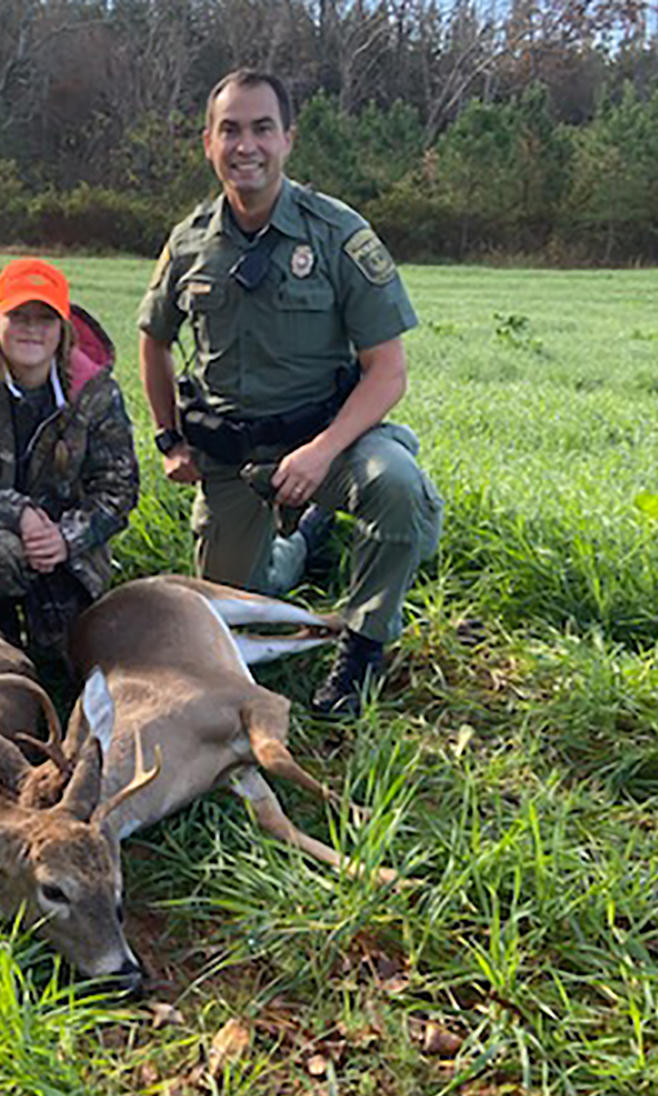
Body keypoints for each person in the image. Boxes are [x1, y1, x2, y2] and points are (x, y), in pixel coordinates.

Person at [138, 69, 443, 720]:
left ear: (288, 139)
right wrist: (169, 439)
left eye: (261, 129)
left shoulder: (337, 233)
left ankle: (362, 647)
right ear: (208, 143)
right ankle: (306, 537)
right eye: (230, 130)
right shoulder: (189, 240)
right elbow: (153, 338)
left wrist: (322, 451)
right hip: (234, 459)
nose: (246, 145)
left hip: (329, 442)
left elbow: (387, 370)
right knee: (247, 597)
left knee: (396, 483)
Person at [0, 257, 139, 659]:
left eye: (45, 318)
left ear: (63, 329)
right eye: (19, 316)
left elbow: (118, 489)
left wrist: (66, 538)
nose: (31, 329)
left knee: (63, 653)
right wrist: (19, 513)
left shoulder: (97, 394)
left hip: (63, 548)